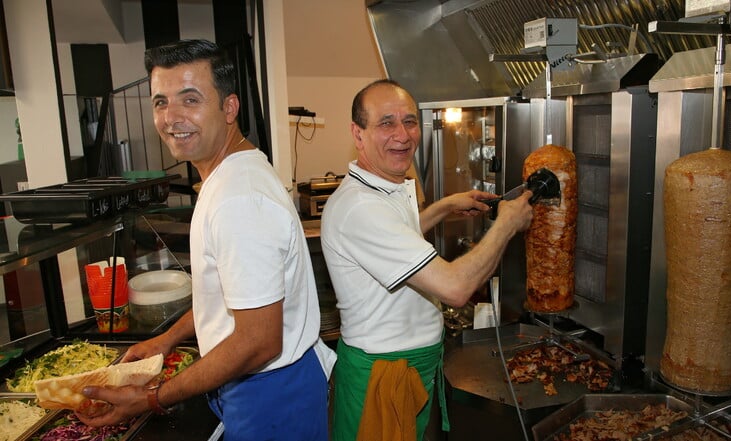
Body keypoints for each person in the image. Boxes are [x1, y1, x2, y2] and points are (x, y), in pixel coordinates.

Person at [76, 39, 335, 441]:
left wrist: (152, 398)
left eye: (190, 99)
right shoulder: (232, 174)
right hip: (267, 389)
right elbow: (234, 297)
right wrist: (169, 338)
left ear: (228, 108)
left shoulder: (239, 200)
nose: (172, 117)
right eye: (161, 102)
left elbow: (257, 342)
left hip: (270, 398)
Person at [321, 79, 534, 441]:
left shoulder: (382, 186)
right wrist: (506, 225)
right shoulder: (361, 207)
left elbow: (397, 236)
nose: (403, 135)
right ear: (358, 134)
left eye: (409, 121)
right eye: (386, 123)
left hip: (408, 368)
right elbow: (455, 287)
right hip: (383, 378)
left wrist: (445, 206)